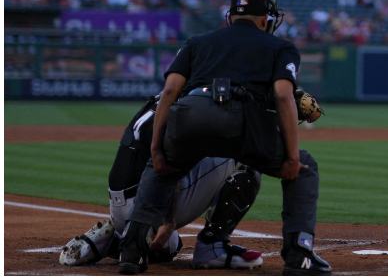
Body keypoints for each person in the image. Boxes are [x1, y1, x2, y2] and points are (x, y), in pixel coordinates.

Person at [116, 0, 330, 275]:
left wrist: (158, 148)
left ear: (231, 17)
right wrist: (291, 157)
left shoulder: (197, 42)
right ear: (266, 19)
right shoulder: (281, 47)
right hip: (243, 122)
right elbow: (282, 96)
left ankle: (132, 250)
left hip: (190, 115)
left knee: (163, 169)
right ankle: (299, 254)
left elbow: (169, 92)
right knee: (304, 168)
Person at [59, 96, 265, 269]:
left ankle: (116, 239)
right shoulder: (193, 105)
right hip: (148, 208)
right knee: (247, 154)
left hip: (120, 204)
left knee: (170, 247)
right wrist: (169, 221)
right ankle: (212, 248)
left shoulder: (163, 98)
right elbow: (169, 168)